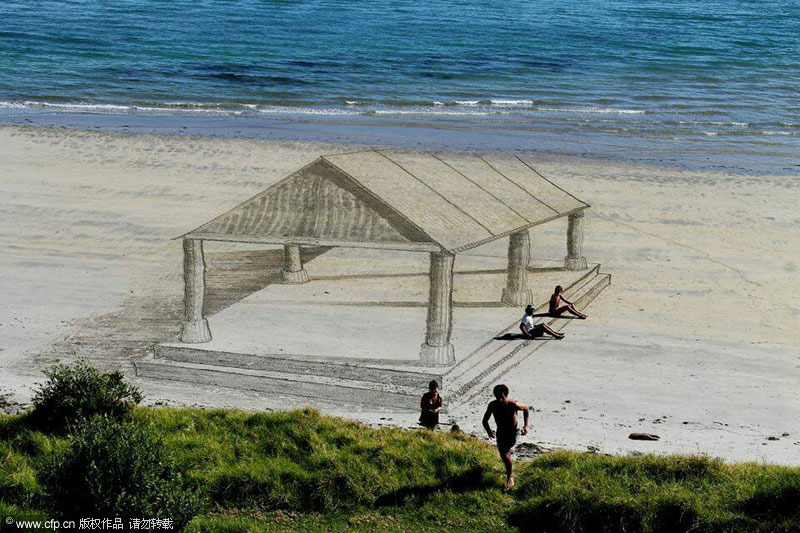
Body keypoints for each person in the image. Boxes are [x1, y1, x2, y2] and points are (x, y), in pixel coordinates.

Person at [482, 384, 529, 490]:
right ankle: (510, 475)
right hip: (501, 433)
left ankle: (510, 478)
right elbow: (484, 420)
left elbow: (526, 408)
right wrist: (489, 431)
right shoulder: (492, 405)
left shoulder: (513, 405)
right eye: (496, 397)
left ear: (505, 395)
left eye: (500, 398)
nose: (499, 400)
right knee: (504, 455)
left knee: (506, 453)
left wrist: (526, 425)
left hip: (513, 432)